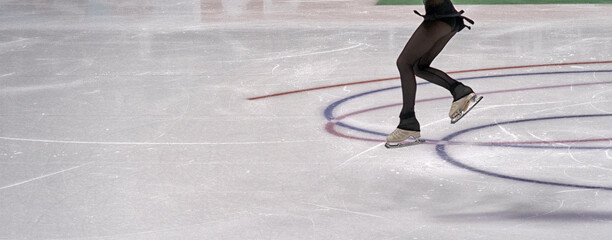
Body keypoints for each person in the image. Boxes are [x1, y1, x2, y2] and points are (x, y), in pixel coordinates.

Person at [386, 0, 482, 148]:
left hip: (440, 19)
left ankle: (407, 121)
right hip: (447, 19)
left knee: (404, 63)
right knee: (419, 67)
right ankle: (460, 91)